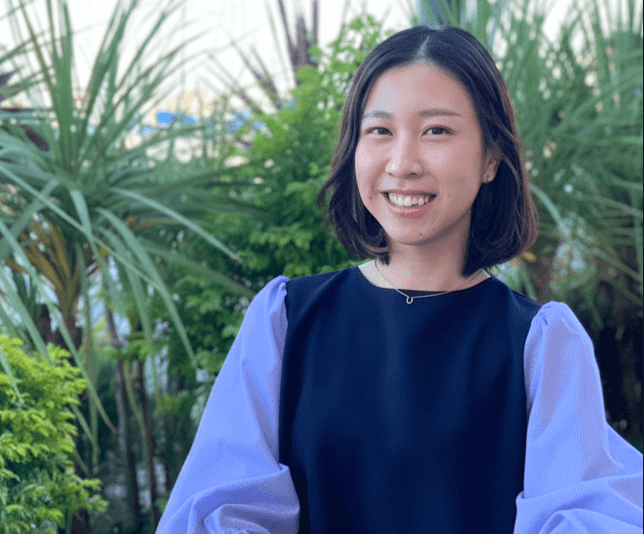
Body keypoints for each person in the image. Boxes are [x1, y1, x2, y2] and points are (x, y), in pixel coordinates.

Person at [156, 25, 643, 533]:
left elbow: (580, 512)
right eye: (380, 131)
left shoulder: (543, 345)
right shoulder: (284, 321)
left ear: (491, 158)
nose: (403, 163)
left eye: (436, 131)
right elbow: (223, 508)